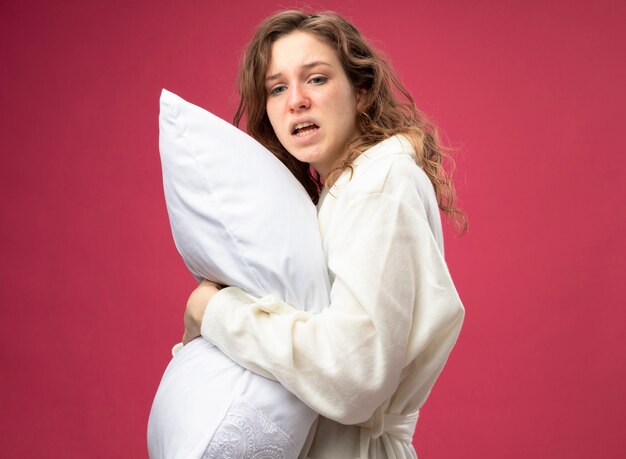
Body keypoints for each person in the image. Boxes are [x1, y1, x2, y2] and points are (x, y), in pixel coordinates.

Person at [183, 10, 466, 459]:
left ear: (362, 89)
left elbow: (352, 377)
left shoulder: (381, 182)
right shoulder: (340, 192)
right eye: (277, 88)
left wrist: (217, 313)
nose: (295, 100)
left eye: (315, 79)